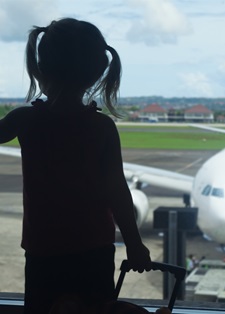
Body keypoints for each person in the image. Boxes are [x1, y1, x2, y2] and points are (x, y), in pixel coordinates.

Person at [0, 18, 152, 313]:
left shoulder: (25, 120)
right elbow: (117, 190)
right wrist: (134, 244)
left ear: (40, 69)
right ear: (96, 73)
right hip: (94, 248)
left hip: (43, 249)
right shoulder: (102, 127)